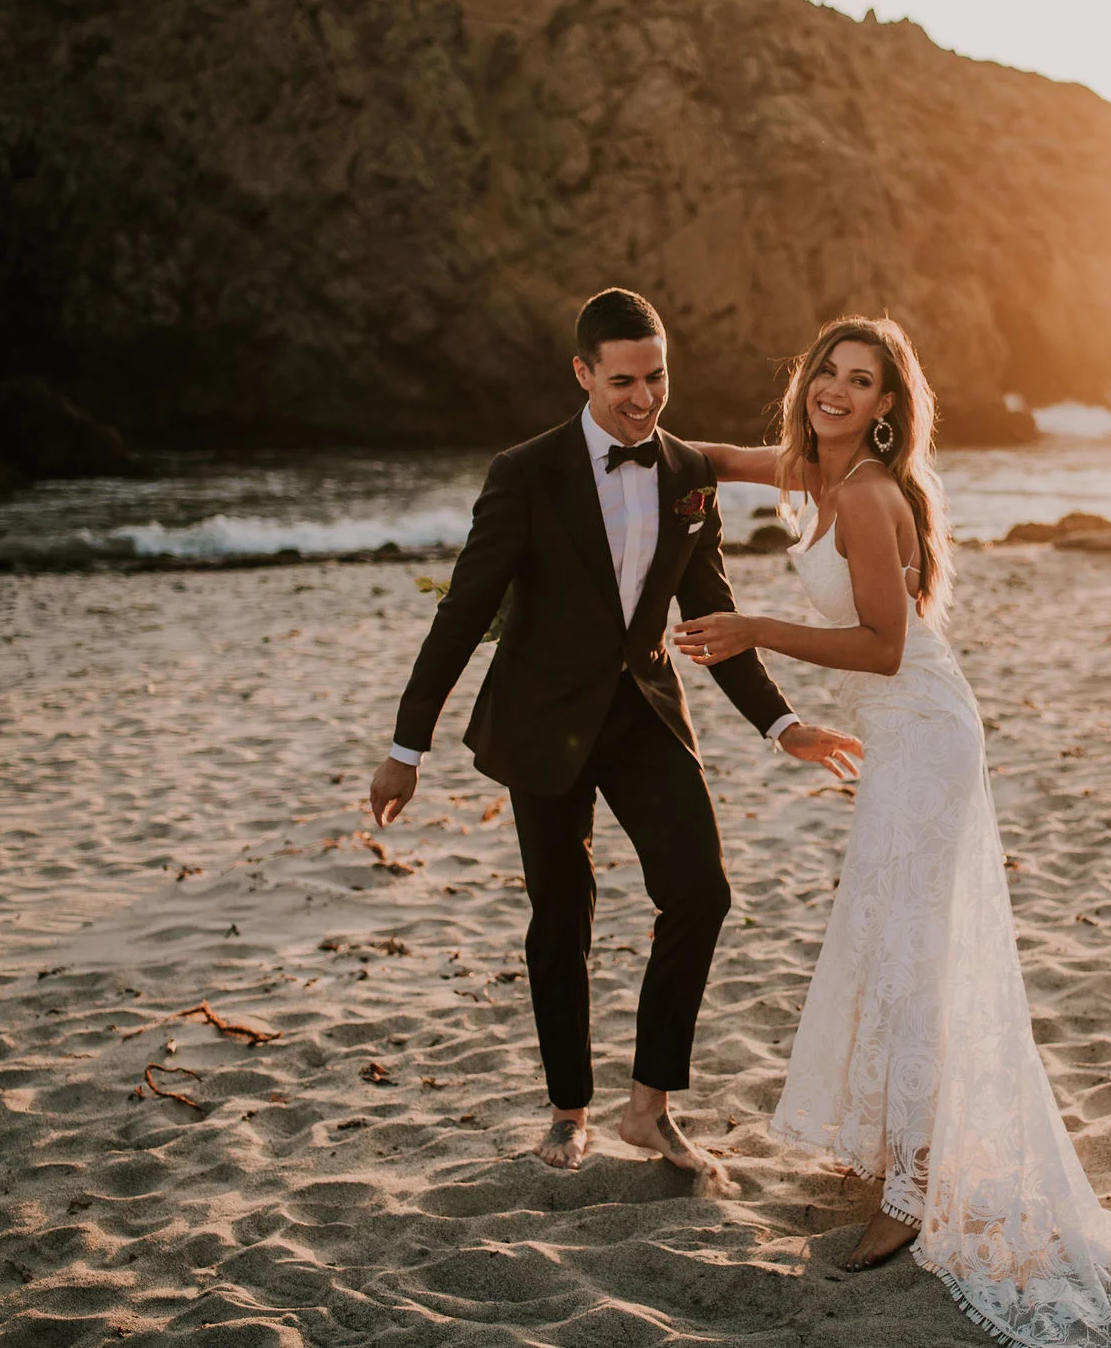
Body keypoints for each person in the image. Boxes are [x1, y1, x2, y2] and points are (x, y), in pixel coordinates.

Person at [673, 316, 1111, 1345]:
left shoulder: (861, 491)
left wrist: (750, 626)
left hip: (923, 730)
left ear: (885, 407)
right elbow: (723, 458)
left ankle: (911, 1189)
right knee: (891, 934)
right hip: (906, 731)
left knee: (910, 948)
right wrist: (643, 450)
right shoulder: (816, 466)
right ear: (809, 381)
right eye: (828, 372)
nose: (836, 390)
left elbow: (878, 645)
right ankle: (899, 1144)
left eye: (861, 382)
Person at [367, 288, 862, 1180]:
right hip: (541, 722)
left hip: (643, 716)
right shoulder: (524, 471)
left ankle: (651, 1107)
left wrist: (781, 721)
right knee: (562, 917)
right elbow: (462, 612)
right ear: (583, 373)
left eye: (658, 376)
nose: (643, 397)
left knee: (701, 895)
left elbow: (714, 615)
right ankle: (569, 1110)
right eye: (624, 380)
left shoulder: (687, 475)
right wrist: (408, 749)